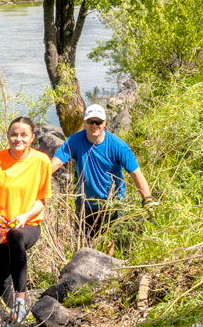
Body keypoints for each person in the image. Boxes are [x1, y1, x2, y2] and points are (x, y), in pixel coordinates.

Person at [0, 116, 52, 317]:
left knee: (16, 236)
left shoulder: (41, 161)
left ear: (32, 138)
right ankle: (13, 321)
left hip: (27, 224)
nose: (17, 139)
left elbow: (42, 199)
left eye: (23, 135)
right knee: (2, 282)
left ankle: (21, 300)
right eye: (13, 134)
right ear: (8, 136)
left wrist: (25, 216)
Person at [50, 103, 156, 240]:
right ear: (84, 122)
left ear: (105, 123)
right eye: (90, 121)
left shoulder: (118, 145)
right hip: (85, 204)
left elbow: (136, 173)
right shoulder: (74, 141)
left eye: (98, 122)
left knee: (110, 243)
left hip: (113, 204)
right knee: (85, 243)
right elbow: (55, 164)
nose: (94, 125)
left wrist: (147, 198)